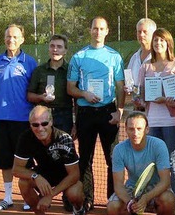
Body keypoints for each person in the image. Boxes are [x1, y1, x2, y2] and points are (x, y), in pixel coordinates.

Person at [67, 16, 125, 210]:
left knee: (113, 158)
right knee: (85, 159)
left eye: (101, 28)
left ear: (107, 31)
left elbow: (120, 86)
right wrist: (84, 93)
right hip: (86, 113)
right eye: (95, 28)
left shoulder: (114, 56)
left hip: (108, 112)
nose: (98, 32)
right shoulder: (78, 57)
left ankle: (113, 198)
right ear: (90, 30)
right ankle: (87, 199)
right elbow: (70, 88)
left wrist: (120, 111)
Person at [0, 24, 38, 211]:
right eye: (8, 36)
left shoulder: (30, 62)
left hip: (23, 120)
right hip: (1, 119)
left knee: (26, 161)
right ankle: (7, 197)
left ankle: (26, 197)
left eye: (15, 37)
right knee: (4, 160)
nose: (11, 40)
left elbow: (34, 91)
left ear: (22, 39)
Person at [136, 28, 175, 211]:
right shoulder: (145, 66)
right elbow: (140, 95)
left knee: (172, 164)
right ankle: (156, 201)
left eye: (162, 41)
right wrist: (137, 98)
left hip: (171, 122)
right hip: (152, 122)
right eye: (156, 41)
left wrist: (168, 100)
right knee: (153, 162)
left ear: (168, 43)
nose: (158, 44)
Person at [13, 105, 85, 215]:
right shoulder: (25, 137)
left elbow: (74, 174)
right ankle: (39, 212)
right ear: (30, 125)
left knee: (74, 193)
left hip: (65, 175)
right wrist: (35, 176)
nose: (40, 128)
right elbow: (16, 169)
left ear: (51, 122)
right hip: (43, 174)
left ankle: (79, 209)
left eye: (44, 123)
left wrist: (49, 195)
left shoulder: (64, 138)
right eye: (35, 125)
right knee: (23, 183)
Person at [107, 112, 175, 215]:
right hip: (132, 188)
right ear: (125, 130)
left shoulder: (159, 145)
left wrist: (146, 197)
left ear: (147, 129)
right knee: (113, 206)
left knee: (168, 199)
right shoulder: (119, 149)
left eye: (139, 129)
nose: (135, 133)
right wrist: (130, 202)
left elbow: (165, 181)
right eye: (131, 129)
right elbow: (118, 185)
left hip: (156, 187)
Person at [28, 34, 75, 134]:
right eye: (52, 46)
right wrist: (41, 97)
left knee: (63, 147)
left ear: (65, 51)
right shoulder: (39, 71)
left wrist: (76, 123)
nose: (55, 49)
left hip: (64, 116)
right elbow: (29, 96)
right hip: (42, 116)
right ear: (48, 49)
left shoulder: (71, 71)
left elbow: (76, 98)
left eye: (59, 47)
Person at [126, 18, 157, 111]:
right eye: (139, 32)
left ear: (154, 34)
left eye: (145, 32)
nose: (141, 35)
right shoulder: (134, 58)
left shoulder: (159, 58)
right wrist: (128, 88)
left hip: (154, 109)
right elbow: (129, 80)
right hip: (136, 109)